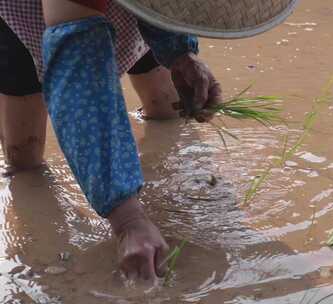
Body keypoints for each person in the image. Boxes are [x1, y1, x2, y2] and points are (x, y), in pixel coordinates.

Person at [0, 0, 297, 284]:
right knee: (24, 159)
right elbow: (80, 70)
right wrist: (127, 218)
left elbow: (174, 8)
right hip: (34, 16)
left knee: (168, 111)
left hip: (142, 10)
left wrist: (182, 56)